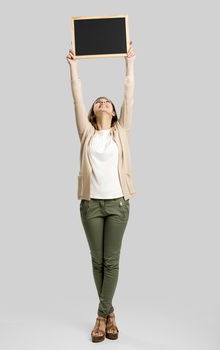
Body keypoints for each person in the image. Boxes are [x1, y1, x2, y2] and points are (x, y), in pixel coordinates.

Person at [66, 40, 136, 342]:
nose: (103, 102)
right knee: (97, 261)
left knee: (112, 261)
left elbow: (129, 98)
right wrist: (73, 69)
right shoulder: (86, 133)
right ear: (94, 112)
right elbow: (77, 100)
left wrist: (129, 64)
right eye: (99, 102)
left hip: (118, 204)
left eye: (107, 101)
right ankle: (110, 315)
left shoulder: (121, 131)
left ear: (114, 112)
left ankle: (101, 316)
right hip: (91, 205)